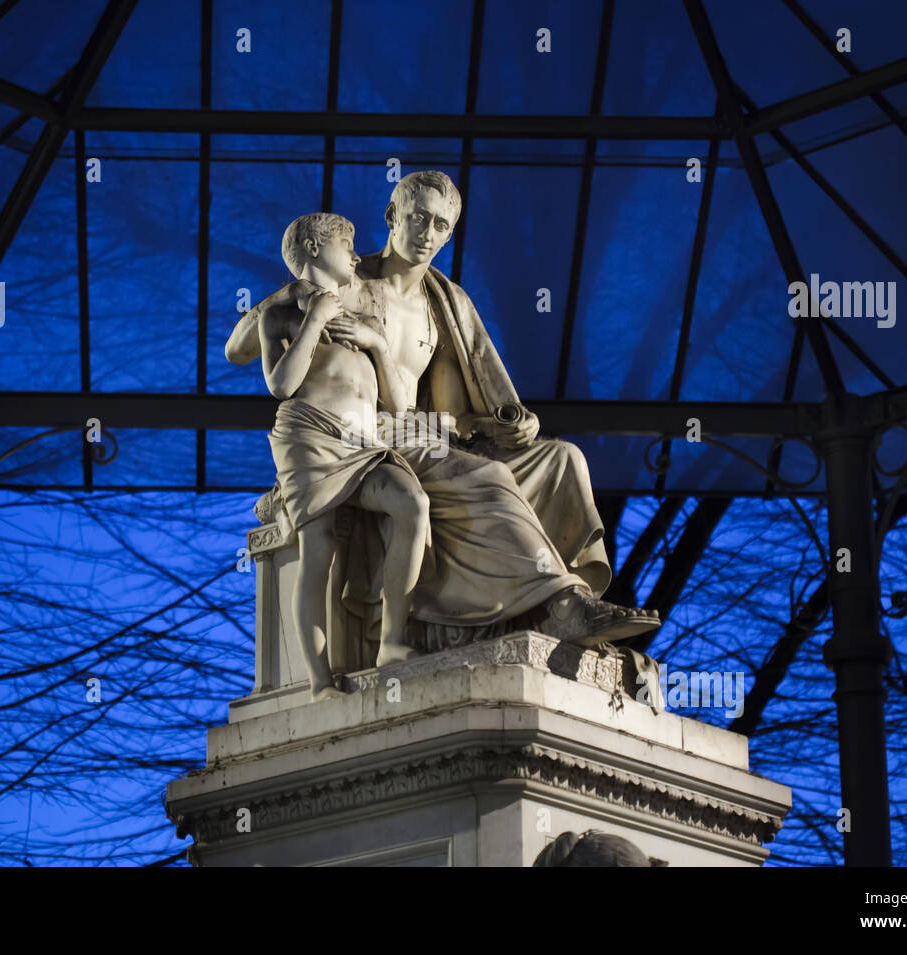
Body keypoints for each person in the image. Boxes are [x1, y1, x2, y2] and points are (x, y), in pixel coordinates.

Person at [229, 173, 659, 647]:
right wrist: (290, 297)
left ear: (450, 233)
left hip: (433, 435)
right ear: (392, 217)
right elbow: (241, 347)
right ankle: (560, 605)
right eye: (417, 218)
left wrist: (511, 421)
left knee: (563, 460)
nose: (427, 233)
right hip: (369, 436)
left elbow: (465, 404)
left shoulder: (447, 301)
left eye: (440, 225)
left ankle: (530, 608)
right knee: (490, 479)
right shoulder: (348, 279)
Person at [262, 213, 427, 699]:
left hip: (362, 443)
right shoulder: (280, 314)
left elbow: (400, 404)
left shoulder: (364, 318)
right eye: (346, 242)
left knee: (412, 505)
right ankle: (318, 681)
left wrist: (377, 344)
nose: (356, 254)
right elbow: (282, 384)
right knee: (319, 554)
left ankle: (393, 641)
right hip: (309, 435)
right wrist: (314, 320)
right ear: (313, 246)